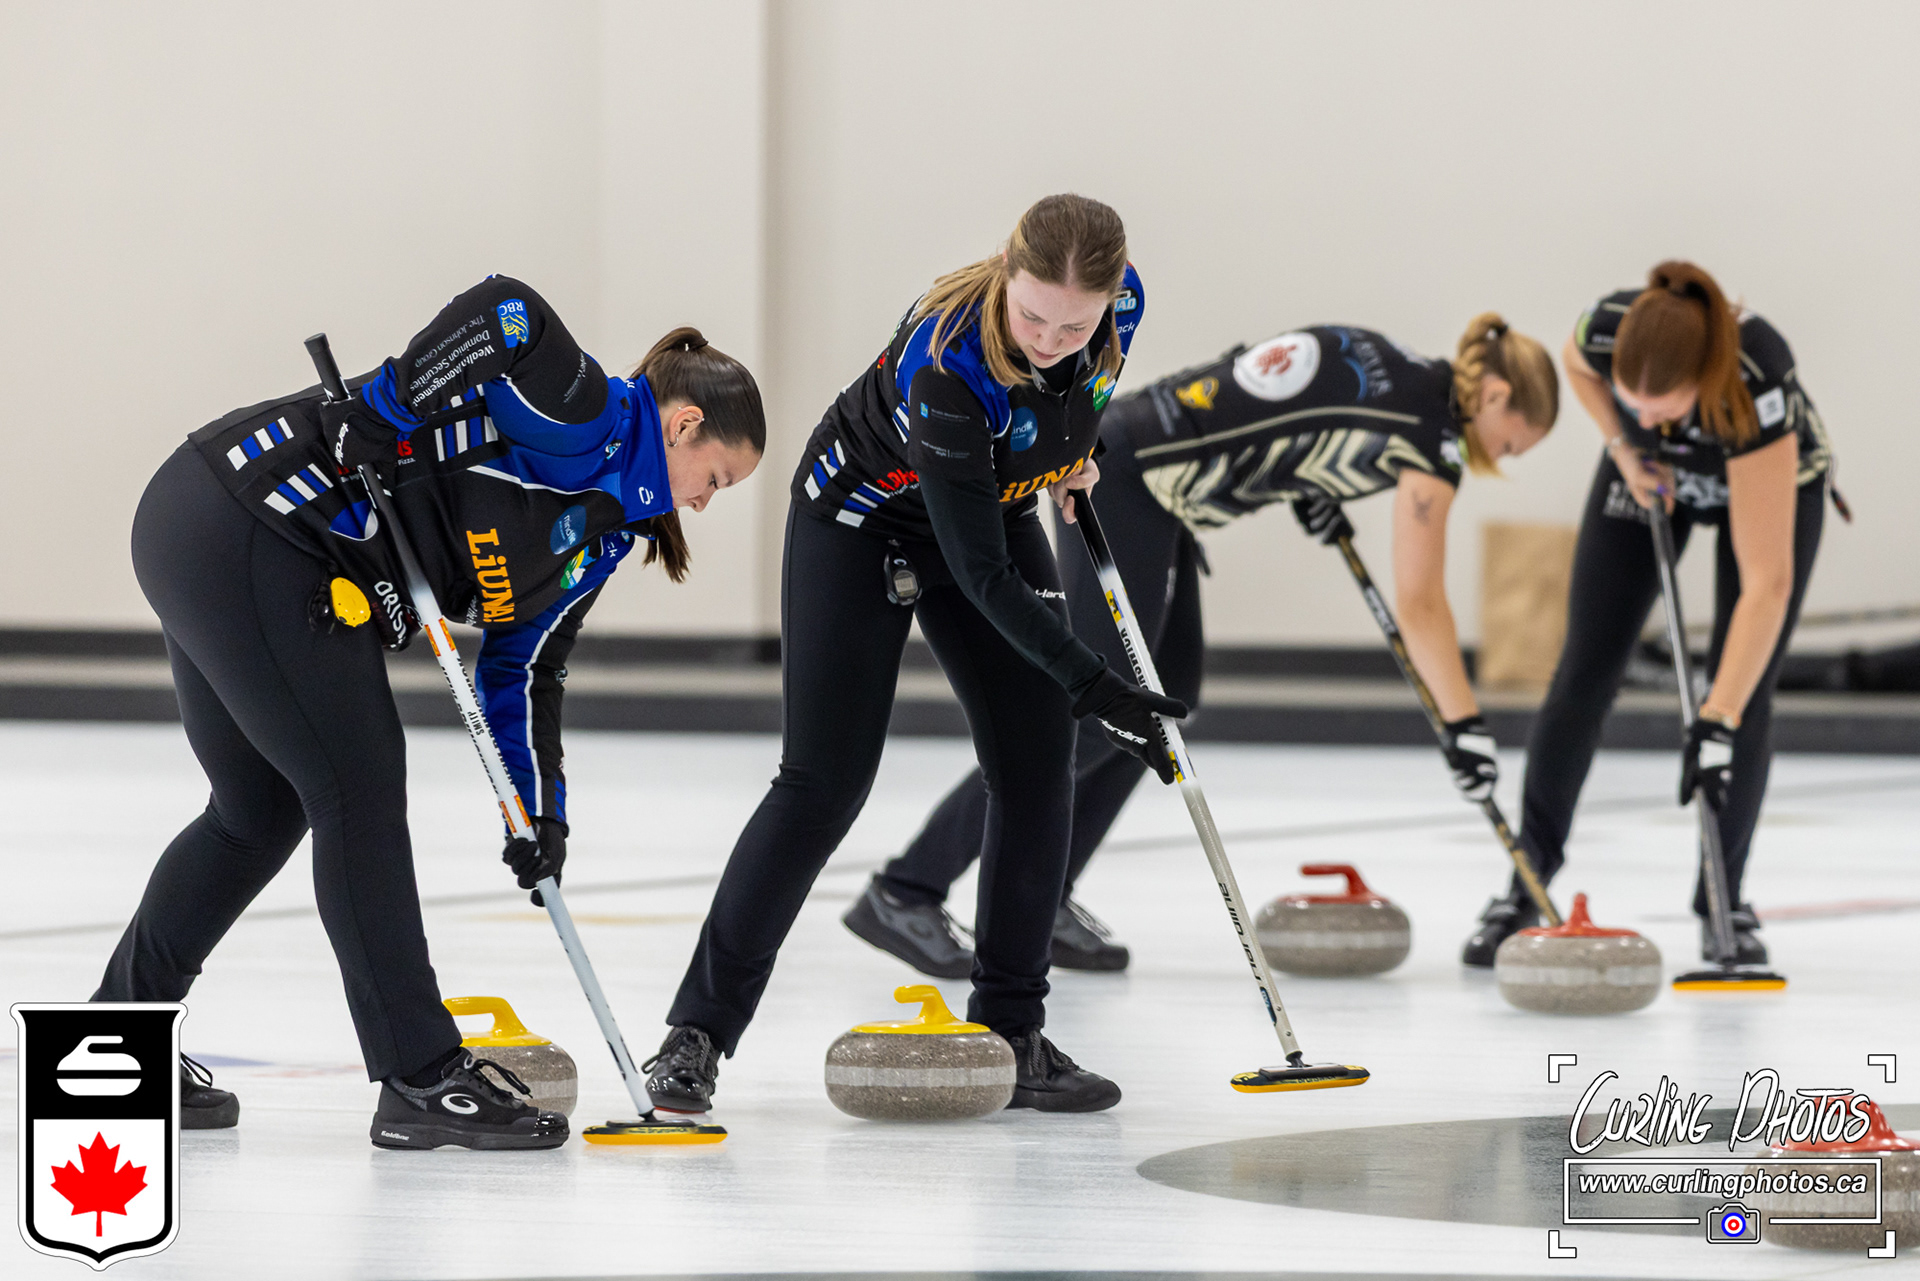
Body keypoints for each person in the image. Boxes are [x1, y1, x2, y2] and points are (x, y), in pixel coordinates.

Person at [96, 277, 765, 1148]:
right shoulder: (585, 412)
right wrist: (386, 406)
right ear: (683, 425)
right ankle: (420, 1075)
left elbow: (525, 671)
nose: (704, 501)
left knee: (258, 809)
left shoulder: (599, 541)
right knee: (359, 787)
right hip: (252, 518)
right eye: (715, 477)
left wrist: (538, 813)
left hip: (212, 527)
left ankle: (115, 1039)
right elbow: (509, 311)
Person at [646, 194, 1173, 1117]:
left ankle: (1012, 1033)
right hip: (860, 520)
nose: (1051, 340)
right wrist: (1094, 682)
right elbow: (980, 577)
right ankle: (697, 1033)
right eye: (1033, 317)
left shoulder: (1121, 304)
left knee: (1036, 761)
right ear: (1006, 272)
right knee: (823, 782)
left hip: (983, 504)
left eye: (1074, 326)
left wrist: (1068, 457)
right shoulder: (947, 361)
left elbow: (1075, 397)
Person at [850, 317, 1560, 975]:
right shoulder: (1433, 433)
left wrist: (1305, 477)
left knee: (1163, 703)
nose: (1495, 457)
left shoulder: (1397, 367)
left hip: (1146, 473)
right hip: (1130, 481)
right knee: (1096, 716)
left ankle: (1048, 893)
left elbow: (1271, 390)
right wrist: (1463, 725)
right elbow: (1422, 600)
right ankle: (907, 887)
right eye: (1507, 443)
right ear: (1495, 395)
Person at [1461, 261, 1832, 966]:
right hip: (1652, 471)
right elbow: (1577, 361)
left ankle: (1723, 901)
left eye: (1663, 408)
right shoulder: (1609, 328)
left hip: (1765, 476)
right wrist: (1626, 442)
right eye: (1636, 402)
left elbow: (1767, 584)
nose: (1649, 414)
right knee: (1583, 672)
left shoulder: (1756, 376)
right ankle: (1525, 881)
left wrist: (1715, 720)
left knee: (1743, 693)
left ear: (1702, 381)